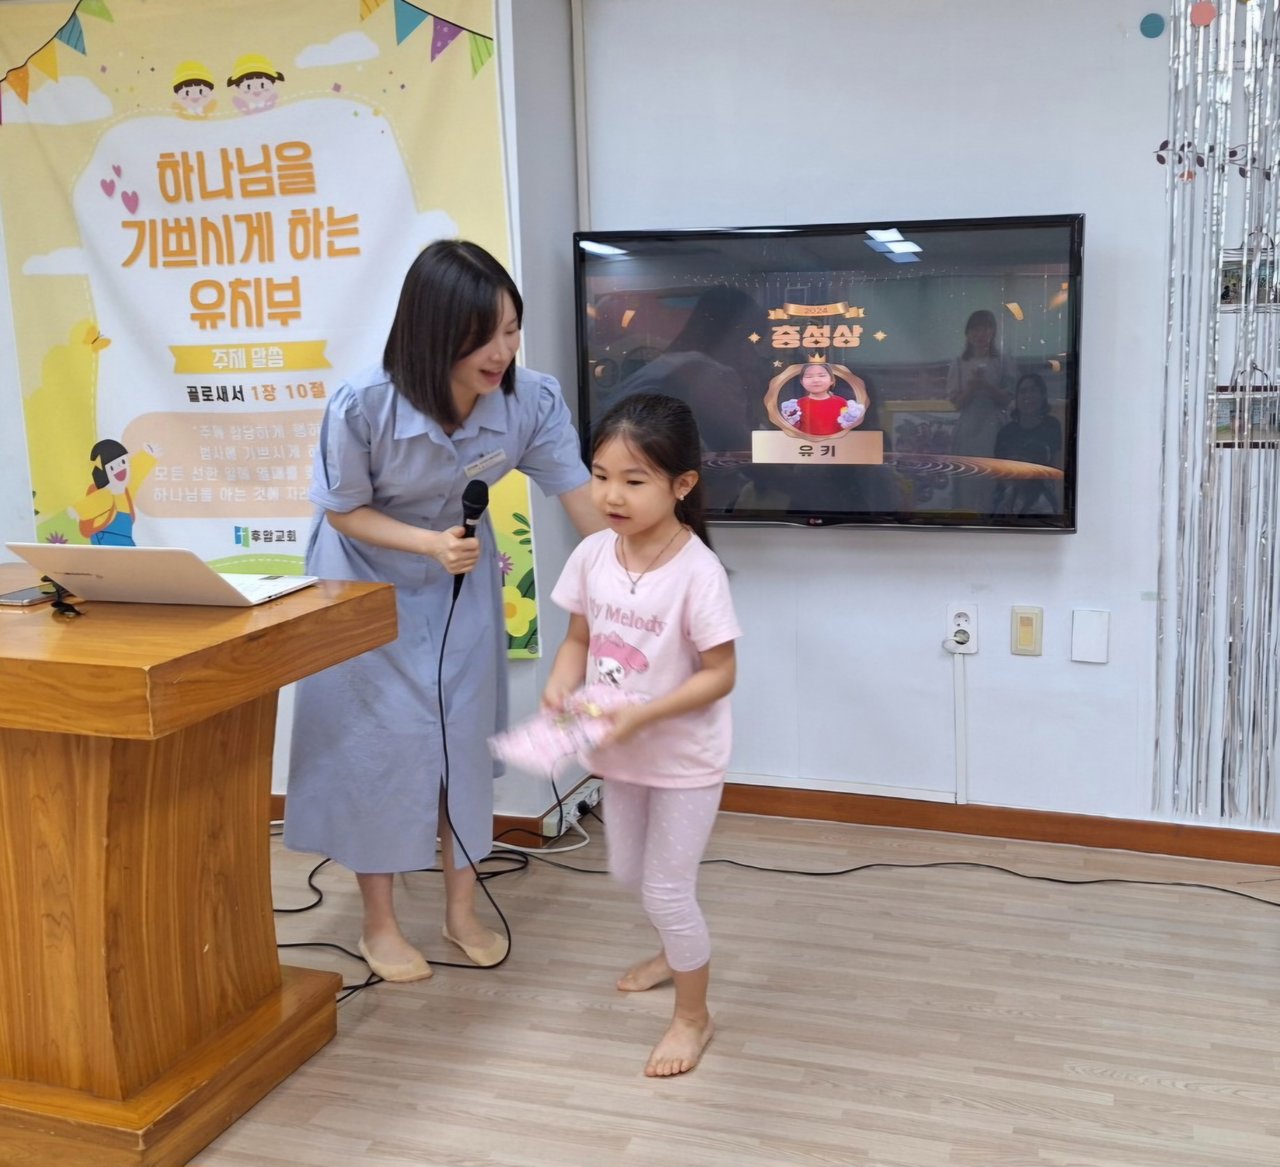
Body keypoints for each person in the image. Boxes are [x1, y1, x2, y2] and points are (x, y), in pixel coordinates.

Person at [284, 240, 602, 984]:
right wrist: (428, 543)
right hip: (363, 581)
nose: (503, 352)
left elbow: (582, 497)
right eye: (484, 335)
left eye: (512, 330)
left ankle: (462, 910)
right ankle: (379, 923)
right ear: (433, 333)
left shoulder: (531, 400)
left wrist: (642, 574)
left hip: (457, 582)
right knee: (376, 749)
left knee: (461, 737)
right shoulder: (362, 404)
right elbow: (343, 510)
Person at [544, 393, 741, 1077]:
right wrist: (561, 682)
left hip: (684, 759)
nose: (610, 495)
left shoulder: (698, 572)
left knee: (666, 889)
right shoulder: (593, 554)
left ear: (681, 484)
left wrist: (644, 712)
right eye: (600, 476)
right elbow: (578, 637)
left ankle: (693, 1017)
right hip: (620, 753)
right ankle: (670, 952)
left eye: (633, 480)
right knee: (629, 872)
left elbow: (721, 675)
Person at [945, 309, 1016, 512]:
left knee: (992, 477)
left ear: (993, 332)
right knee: (967, 478)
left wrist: (986, 386)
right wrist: (972, 387)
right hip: (968, 428)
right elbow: (957, 404)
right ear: (967, 333)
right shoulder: (959, 363)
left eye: (985, 329)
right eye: (975, 329)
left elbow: (1008, 399)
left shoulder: (1002, 361)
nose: (980, 334)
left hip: (995, 427)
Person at [993, 372, 1063, 514]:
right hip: (1010, 501)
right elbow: (999, 474)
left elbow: (1058, 465)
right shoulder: (1006, 432)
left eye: (1033, 390)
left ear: (1043, 395)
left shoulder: (1052, 426)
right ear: (1016, 398)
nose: (1028, 396)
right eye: (1023, 391)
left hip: (1043, 500)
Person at [773, 360, 867, 437]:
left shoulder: (843, 403)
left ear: (832, 380)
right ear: (802, 382)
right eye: (809, 376)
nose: (816, 380)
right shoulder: (796, 406)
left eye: (822, 375)